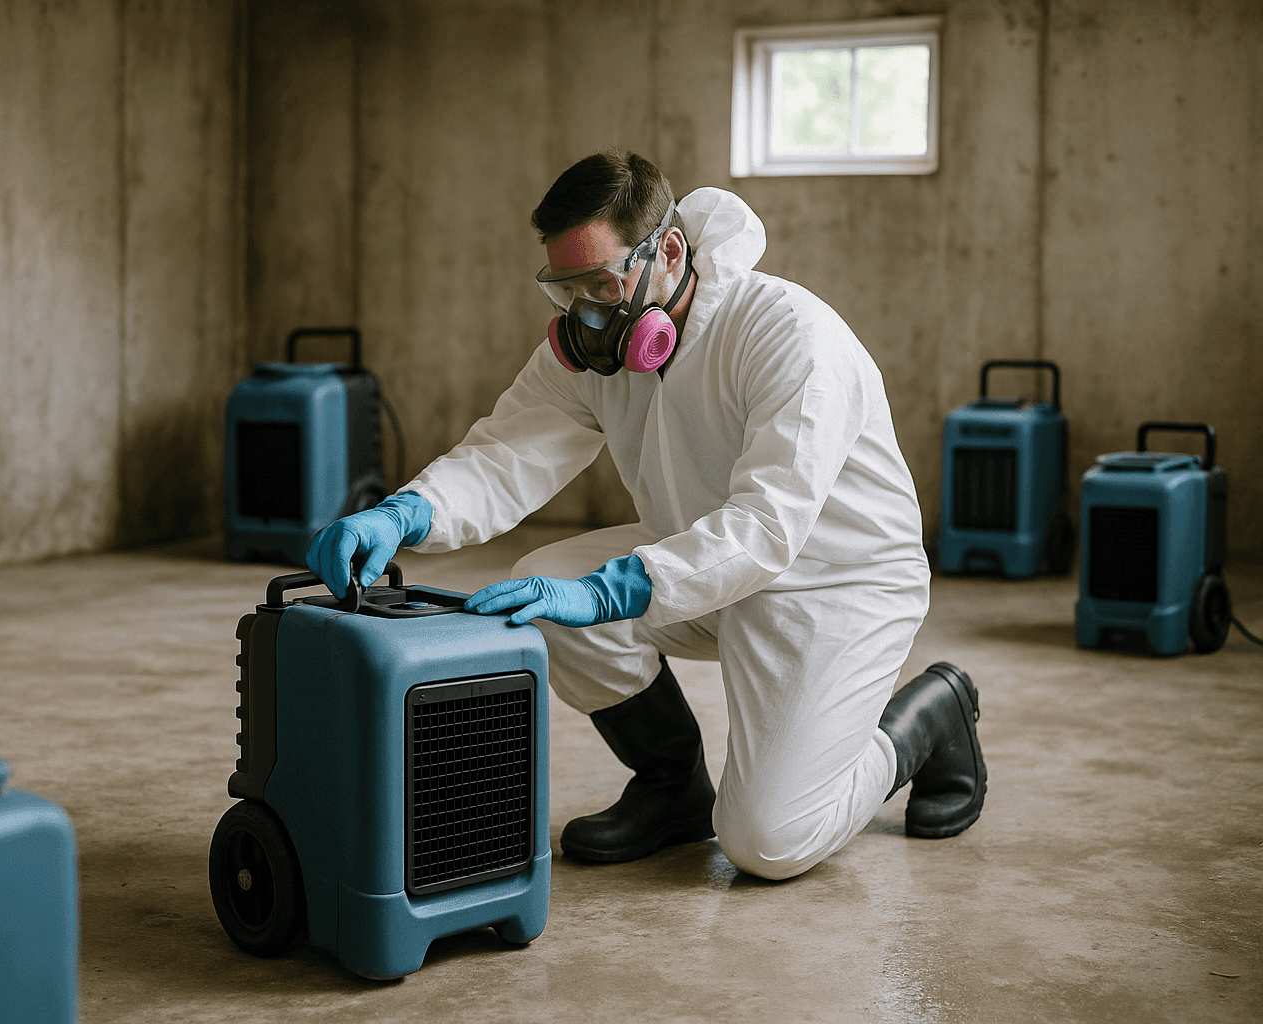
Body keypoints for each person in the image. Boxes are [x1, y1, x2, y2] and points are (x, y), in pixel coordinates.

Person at [307, 150, 985, 880]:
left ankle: (928, 720)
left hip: (834, 585)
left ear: (667, 250)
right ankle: (673, 788)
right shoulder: (596, 353)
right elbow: (509, 451)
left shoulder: (788, 334)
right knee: (540, 585)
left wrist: (611, 591)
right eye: (563, 288)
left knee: (768, 842)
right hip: (692, 557)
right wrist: (404, 513)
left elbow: (765, 528)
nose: (583, 314)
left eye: (600, 283)